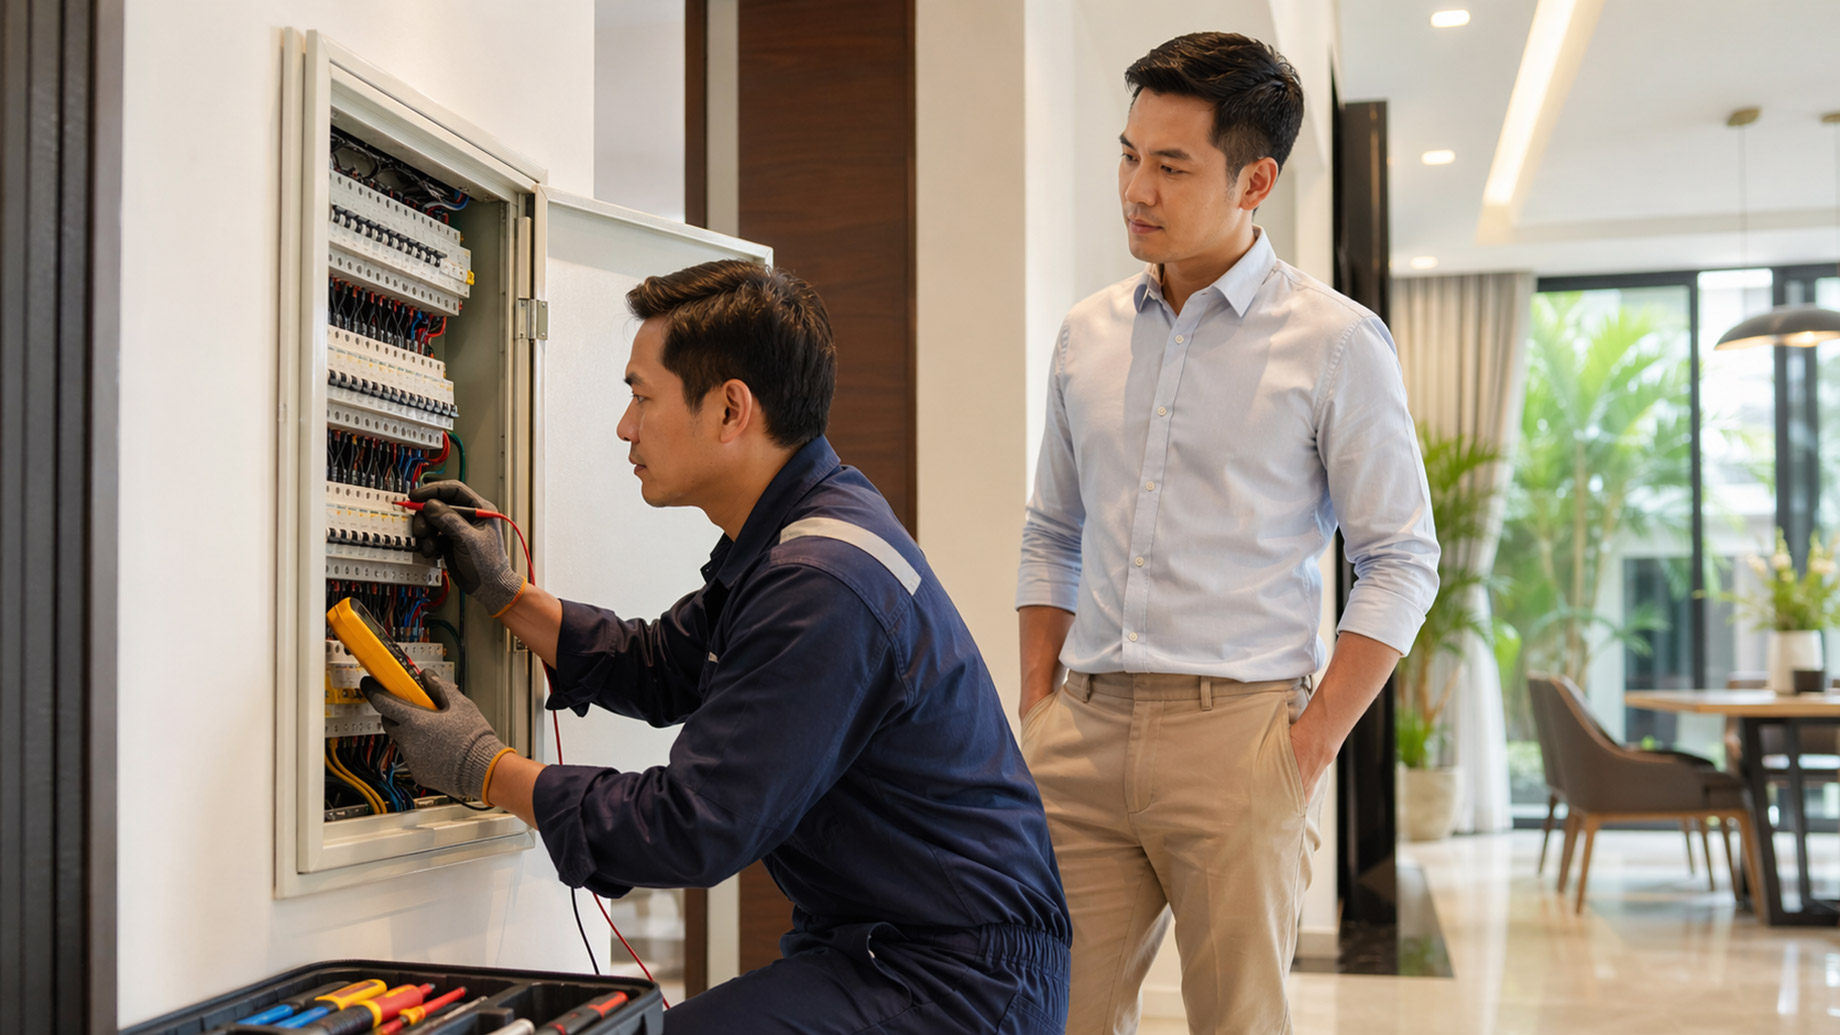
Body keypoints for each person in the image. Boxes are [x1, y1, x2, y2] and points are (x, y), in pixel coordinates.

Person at [365, 259, 1070, 1033]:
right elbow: (666, 663)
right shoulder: (801, 528)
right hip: (888, 947)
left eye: (640, 396)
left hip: (958, 982)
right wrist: (510, 596)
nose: (625, 426)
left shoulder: (823, 582)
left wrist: (485, 768)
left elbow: (692, 825)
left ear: (731, 408)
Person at [1015, 32, 1439, 1035]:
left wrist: (1305, 747)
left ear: (1255, 179)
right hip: (1080, 733)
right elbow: (1050, 530)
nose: (1135, 188)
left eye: (1171, 165)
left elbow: (1400, 558)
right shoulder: (1087, 333)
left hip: (1238, 737)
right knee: (1046, 1014)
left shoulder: (1334, 342)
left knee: (1237, 1023)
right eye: (1128, 155)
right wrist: (1035, 709)